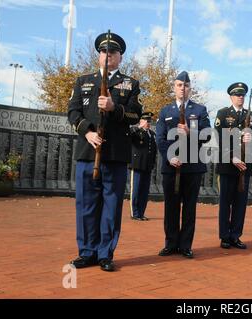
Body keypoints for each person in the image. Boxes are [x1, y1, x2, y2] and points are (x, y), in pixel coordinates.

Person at [68, 32, 142, 271]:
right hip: (88, 153)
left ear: (120, 57)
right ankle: (87, 252)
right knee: (86, 206)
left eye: (112, 52)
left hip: (115, 156)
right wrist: (87, 133)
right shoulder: (83, 81)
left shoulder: (130, 84)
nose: (107, 55)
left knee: (111, 207)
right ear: (99, 55)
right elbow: (73, 112)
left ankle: (104, 254)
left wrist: (114, 107)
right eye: (103, 51)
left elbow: (135, 114)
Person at [155, 71, 211, 258]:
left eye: (186, 85)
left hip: (192, 167)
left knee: (189, 208)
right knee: (171, 207)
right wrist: (170, 158)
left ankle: (186, 245)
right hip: (171, 166)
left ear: (190, 89)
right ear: (174, 87)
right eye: (179, 85)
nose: (182, 88)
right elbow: (160, 139)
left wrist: (190, 131)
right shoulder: (166, 111)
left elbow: (207, 134)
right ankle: (170, 243)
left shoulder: (200, 110)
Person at [214, 82, 252, 249]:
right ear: (231, 96)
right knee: (226, 203)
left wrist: (251, 138)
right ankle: (225, 236)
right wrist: (231, 157)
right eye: (237, 94)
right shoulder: (223, 113)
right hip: (227, 165)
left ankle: (235, 236)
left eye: (242, 95)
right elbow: (218, 138)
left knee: (240, 204)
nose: (240, 97)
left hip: (244, 166)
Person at [129, 111, 157, 221]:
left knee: (144, 191)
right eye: (146, 120)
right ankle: (134, 213)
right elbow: (128, 135)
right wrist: (138, 127)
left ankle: (141, 212)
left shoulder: (152, 134)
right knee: (135, 190)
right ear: (141, 121)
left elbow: (154, 151)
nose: (148, 123)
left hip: (147, 166)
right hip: (137, 165)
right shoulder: (136, 131)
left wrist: (152, 163)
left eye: (149, 121)